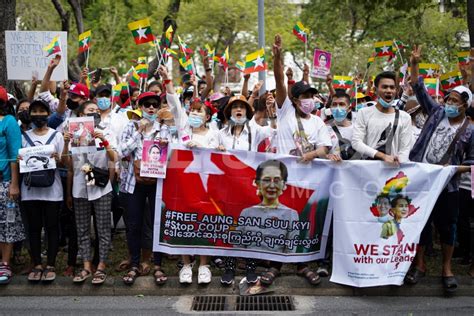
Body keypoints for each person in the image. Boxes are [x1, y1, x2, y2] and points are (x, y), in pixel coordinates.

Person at [406, 45, 474, 293]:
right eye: (448, 99)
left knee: (448, 226)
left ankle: (446, 268)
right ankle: (420, 265)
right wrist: (414, 64)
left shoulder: (470, 130)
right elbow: (418, 89)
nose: (449, 103)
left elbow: (472, 163)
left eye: (455, 101)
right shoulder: (435, 113)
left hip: (449, 186)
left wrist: (452, 170)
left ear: (465, 106)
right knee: (420, 223)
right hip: (422, 181)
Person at [159, 65, 217, 284]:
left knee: (204, 223)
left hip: (205, 187)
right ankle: (185, 264)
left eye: (199, 111)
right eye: (191, 110)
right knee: (182, 222)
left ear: (207, 116)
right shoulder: (183, 128)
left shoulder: (215, 135)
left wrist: (205, 150)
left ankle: (204, 265)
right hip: (181, 185)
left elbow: (223, 158)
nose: (193, 114)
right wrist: (168, 81)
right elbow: (173, 102)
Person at [65, 101, 117, 285]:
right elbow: (68, 166)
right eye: (90, 110)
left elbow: (114, 159)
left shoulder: (106, 130)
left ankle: (101, 265)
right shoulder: (72, 133)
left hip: (101, 187)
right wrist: (66, 143)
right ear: (81, 114)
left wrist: (104, 141)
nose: (95, 112)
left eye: (96, 110)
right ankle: (87, 265)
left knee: (103, 229)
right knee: (82, 229)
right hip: (80, 187)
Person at [120, 91, 167, 286]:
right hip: (133, 182)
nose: (150, 108)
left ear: (158, 109)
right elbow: (122, 150)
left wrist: (167, 146)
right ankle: (135, 264)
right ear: (140, 107)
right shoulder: (130, 127)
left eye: (154, 105)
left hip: (157, 182)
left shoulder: (163, 128)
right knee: (133, 225)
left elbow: (171, 155)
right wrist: (139, 131)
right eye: (147, 104)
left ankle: (157, 264)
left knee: (157, 223)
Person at [21, 98, 66, 282]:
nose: (38, 115)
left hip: (52, 191)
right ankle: (37, 263)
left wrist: (58, 157)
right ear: (30, 115)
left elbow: (66, 163)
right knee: (33, 228)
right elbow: (18, 162)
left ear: (49, 114)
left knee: (52, 227)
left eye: (42, 111)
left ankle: (51, 264)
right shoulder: (23, 136)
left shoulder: (57, 136)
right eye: (35, 111)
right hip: (29, 190)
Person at [272, 35, 332, 161]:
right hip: (285, 173)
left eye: (311, 96)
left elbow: (325, 147)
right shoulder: (285, 111)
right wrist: (277, 58)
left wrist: (312, 154)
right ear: (294, 100)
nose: (310, 100)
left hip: (307, 175)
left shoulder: (317, 121)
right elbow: (279, 80)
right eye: (305, 96)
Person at [237, 159, 300, 253]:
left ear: (284, 184)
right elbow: (238, 247)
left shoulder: (291, 215)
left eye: (277, 180)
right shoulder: (246, 213)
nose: (271, 185)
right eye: (266, 180)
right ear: (257, 183)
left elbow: (290, 251)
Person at [351, 71, 413, 164]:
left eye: (392, 87)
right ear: (375, 90)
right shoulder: (363, 113)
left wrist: (399, 162)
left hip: (394, 171)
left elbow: (405, 149)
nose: (389, 90)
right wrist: (382, 156)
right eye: (384, 87)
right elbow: (356, 142)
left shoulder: (405, 117)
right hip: (368, 170)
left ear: (396, 91)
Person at [0, 85, 25, 285]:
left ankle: (5, 263)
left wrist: (14, 184)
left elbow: (15, 155)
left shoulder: (8, 122)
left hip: (4, 182)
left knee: (6, 224)